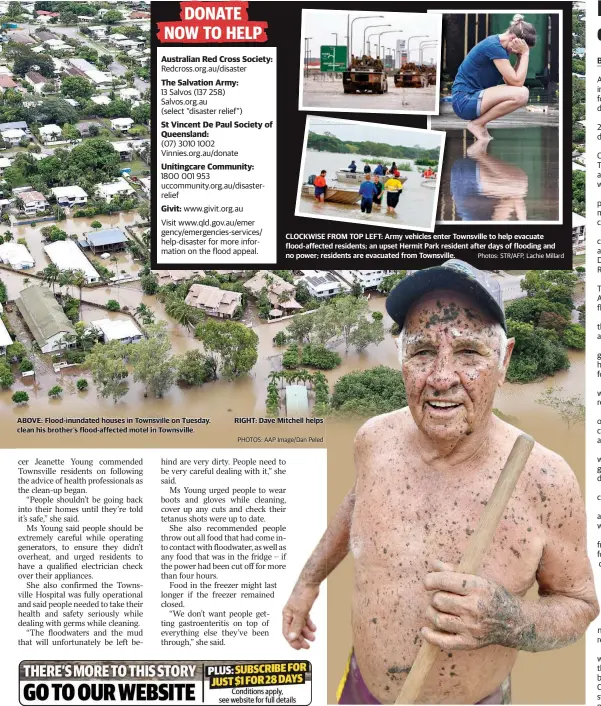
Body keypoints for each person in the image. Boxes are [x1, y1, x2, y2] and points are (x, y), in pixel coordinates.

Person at [282, 260, 598, 705]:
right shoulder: (374, 439)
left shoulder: (545, 480)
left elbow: (579, 606)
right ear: (402, 360)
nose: (442, 377)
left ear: (504, 360)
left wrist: (510, 621)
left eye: (469, 353)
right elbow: (358, 504)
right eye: (423, 352)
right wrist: (308, 581)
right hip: (362, 690)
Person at [452, 14, 537, 142]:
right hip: (464, 100)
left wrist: (520, 57)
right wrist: (525, 55)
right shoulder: (494, 47)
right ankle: (477, 124)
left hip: (472, 99)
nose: (517, 52)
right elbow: (518, 82)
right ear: (514, 39)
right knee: (522, 94)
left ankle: (479, 124)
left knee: (520, 92)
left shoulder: (501, 48)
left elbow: (511, 82)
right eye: (520, 48)